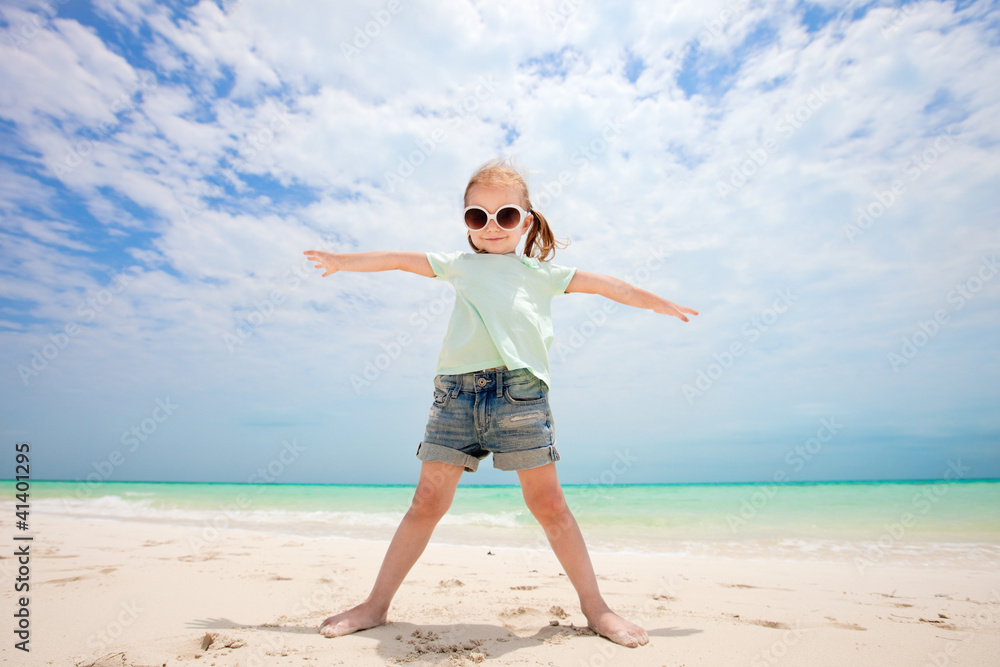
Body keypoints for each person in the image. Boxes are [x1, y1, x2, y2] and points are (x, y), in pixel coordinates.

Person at [303, 159, 697, 648]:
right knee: (426, 502)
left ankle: (597, 609)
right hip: (455, 396)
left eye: (505, 216)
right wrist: (343, 261)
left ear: (525, 221)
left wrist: (656, 301)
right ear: (466, 222)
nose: (491, 226)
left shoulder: (542, 274)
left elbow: (607, 285)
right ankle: (375, 605)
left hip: (521, 397)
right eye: (477, 216)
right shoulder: (458, 265)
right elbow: (399, 258)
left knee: (549, 504)